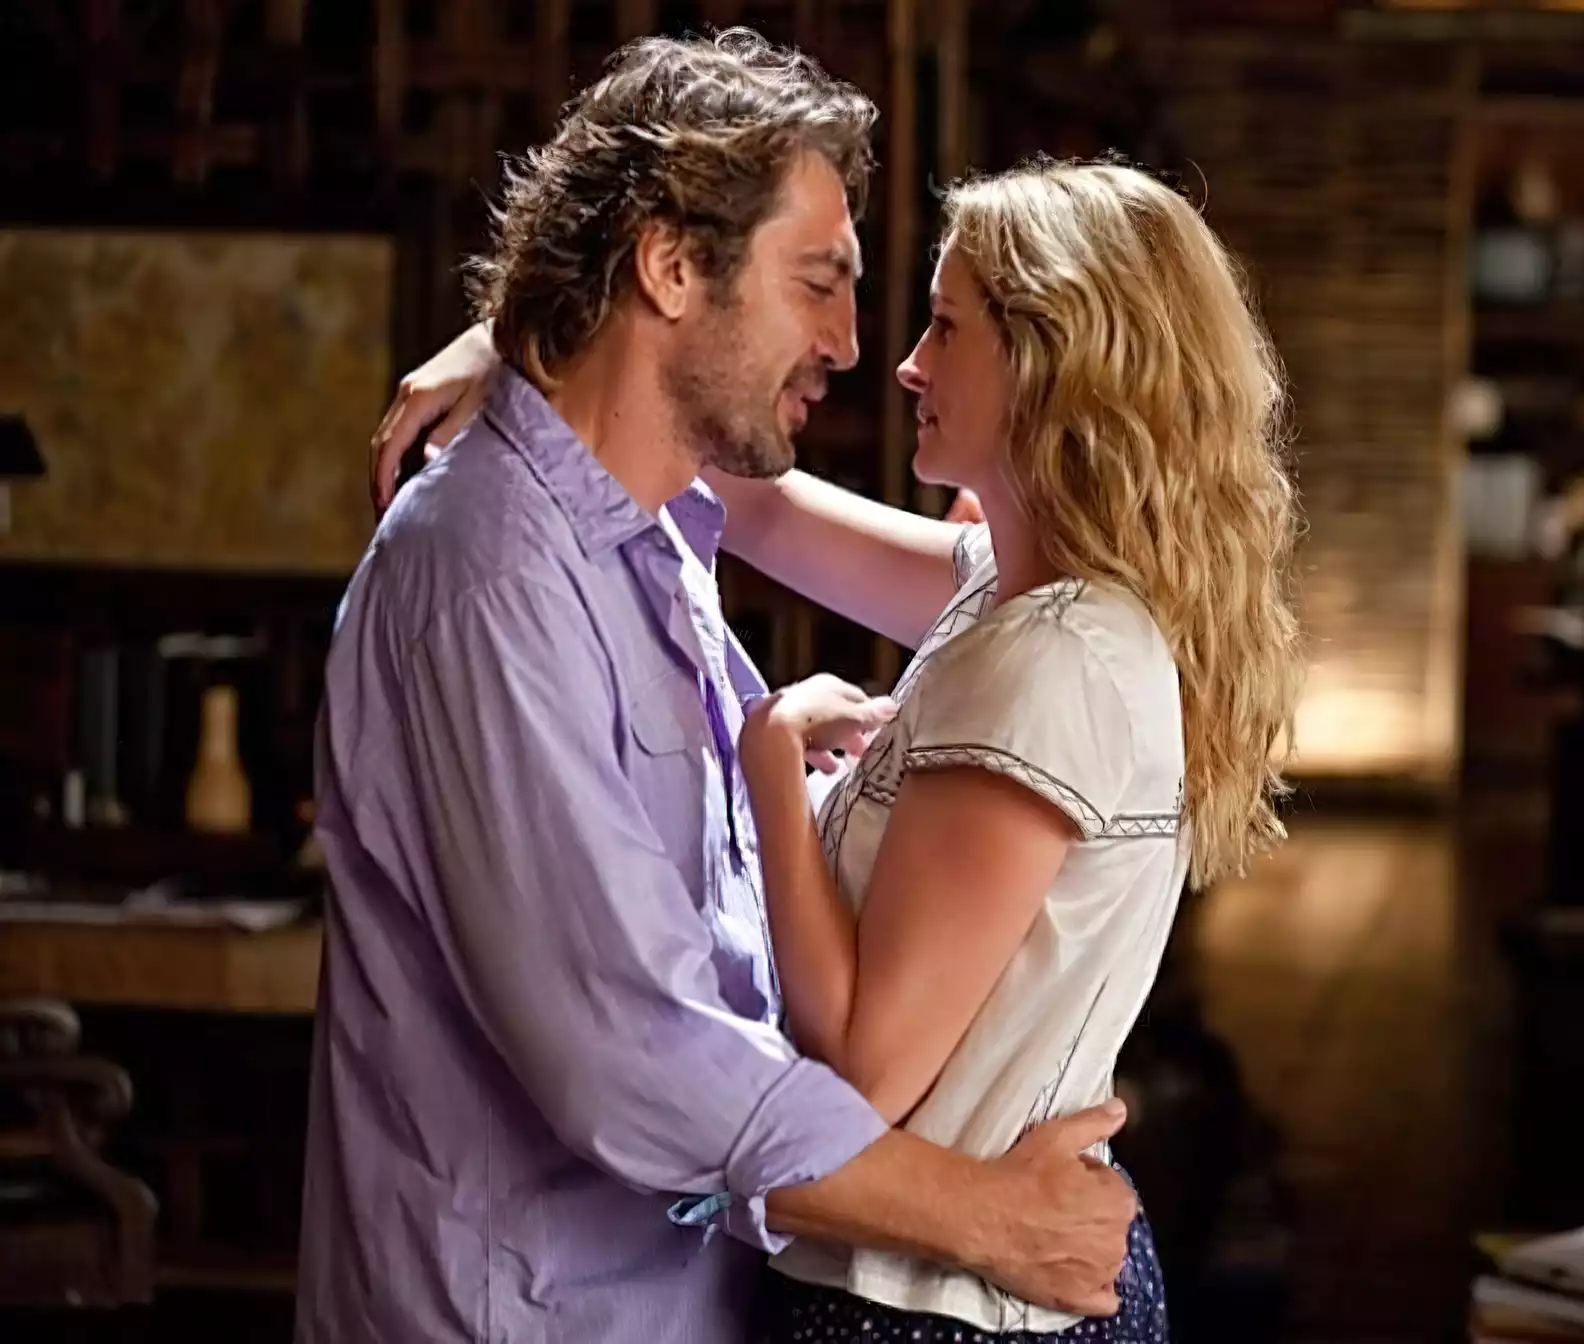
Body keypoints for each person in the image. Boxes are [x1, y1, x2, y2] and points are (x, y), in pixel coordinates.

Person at [374, 157, 1304, 1341]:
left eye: (947, 327)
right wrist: (522, 346)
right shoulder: (1008, 595)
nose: (904, 362)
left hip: (940, 1314)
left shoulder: (1058, 657)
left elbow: (867, 1067)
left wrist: (771, 766)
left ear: (1052, 362)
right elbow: (750, 496)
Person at [303, 31, 1137, 1344]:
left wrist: (518, 342)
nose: (857, 346)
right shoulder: (488, 575)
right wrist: (983, 1217)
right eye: (819, 284)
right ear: (673, 268)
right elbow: (628, 1051)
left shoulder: (656, 531)